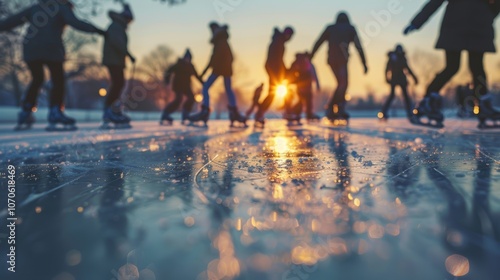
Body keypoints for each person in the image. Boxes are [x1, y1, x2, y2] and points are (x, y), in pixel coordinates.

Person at [0, 0, 105, 131]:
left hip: (30, 48)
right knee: (58, 80)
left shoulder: (37, 8)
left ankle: (26, 110)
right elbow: (75, 22)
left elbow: (14, 20)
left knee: (37, 79)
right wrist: (97, 30)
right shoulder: (61, 7)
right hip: (52, 49)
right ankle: (55, 111)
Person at [404, 0, 500, 128]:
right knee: (455, 67)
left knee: (474, 67)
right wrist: (416, 22)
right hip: (460, 26)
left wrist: (488, 14)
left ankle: (483, 105)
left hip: (472, 25)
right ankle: (428, 102)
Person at [310, 12, 368, 122]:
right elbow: (358, 46)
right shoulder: (350, 28)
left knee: (340, 84)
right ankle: (336, 107)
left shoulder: (330, 28)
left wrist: (312, 55)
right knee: (343, 84)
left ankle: (333, 107)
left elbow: (319, 42)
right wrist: (364, 63)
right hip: (341, 60)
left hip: (332, 60)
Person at [188, 22, 246, 127]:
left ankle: (206, 110)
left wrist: (213, 70)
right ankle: (233, 111)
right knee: (227, 89)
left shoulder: (221, 41)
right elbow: (219, 58)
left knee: (206, 87)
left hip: (220, 70)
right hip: (224, 70)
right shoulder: (221, 41)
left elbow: (216, 59)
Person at [101, 4, 136, 129]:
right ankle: (109, 110)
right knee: (118, 83)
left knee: (118, 83)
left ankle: (112, 109)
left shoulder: (118, 26)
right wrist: (129, 55)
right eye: (129, 20)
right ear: (125, 17)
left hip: (116, 60)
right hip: (113, 60)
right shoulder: (117, 26)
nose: (129, 23)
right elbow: (117, 44)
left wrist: (127, 55)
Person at [254, 26, 294, 127]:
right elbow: (276, 59)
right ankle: (260, 113)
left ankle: (287, 111)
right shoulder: (278, 42)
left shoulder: (278, 40)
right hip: (274, 70)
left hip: (274, 69)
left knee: (279, 91)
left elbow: (279, 59)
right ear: (287, 34)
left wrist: (284, 70)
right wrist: (283, 72)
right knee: (273, 93)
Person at [161, 49, 203, 125]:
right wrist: (167, 80)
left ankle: (185, 113)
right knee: (178, 99)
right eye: (187, 58)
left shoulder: (190, 66)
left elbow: (197, 76)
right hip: (178, 85)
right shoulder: (179, 64)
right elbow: (169, 71)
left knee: (191, 98)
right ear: (184, 58)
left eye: (189, 59)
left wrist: (204, 83)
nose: (188, 60)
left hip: (186, 86)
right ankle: (166, 113)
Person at [379, 44, 418, 121]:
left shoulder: (402, 58)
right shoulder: (393, 57)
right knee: (392, 95)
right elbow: (387, 68)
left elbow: (407, 68)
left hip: (402, 79)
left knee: (406, 96)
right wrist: (387, 78)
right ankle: (384, 112)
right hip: (394, 79)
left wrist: (414, 78)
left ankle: (410, 112)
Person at [285, 52, 321, 123]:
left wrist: (289, 81)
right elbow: (314, 74)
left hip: (301, 85)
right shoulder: (308, 63)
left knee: (302, 100)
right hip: (306, 85)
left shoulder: (296, 63)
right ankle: (304, 113)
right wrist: (317, 84)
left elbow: (291, 73)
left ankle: (298, 113)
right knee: (306, 100)